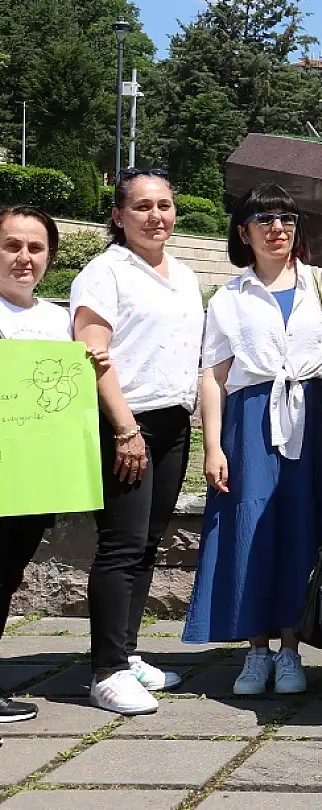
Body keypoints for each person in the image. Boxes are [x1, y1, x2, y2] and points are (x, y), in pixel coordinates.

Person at [186, 185, 322, 696]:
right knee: (249, 531)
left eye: (286, 219)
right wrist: (213, 446)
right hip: (251, 421)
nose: (277, 228)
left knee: (303, 530)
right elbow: (213, 375)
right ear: (244, 231)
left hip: (313, 417)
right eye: (264, 220)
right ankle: (256, 651)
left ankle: (292, 650)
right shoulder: (229, 298)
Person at [70, 169, 204, 715]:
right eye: (143, 207)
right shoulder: (104, 274)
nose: (156, 216)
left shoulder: (185, 274)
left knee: (148, 543)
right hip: (124, 424)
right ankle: (106, 671)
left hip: (174, 424)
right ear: (119, 216)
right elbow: (92, 354)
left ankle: (125, 654)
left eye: (165, 205)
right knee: (122, 545)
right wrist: (125, 429)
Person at [0, 205, 108, 732]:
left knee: (5, 577)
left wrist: (92, 370)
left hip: (31, 478)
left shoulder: (55, 318)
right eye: (12, 246)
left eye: (36, 248)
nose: (24, 258)